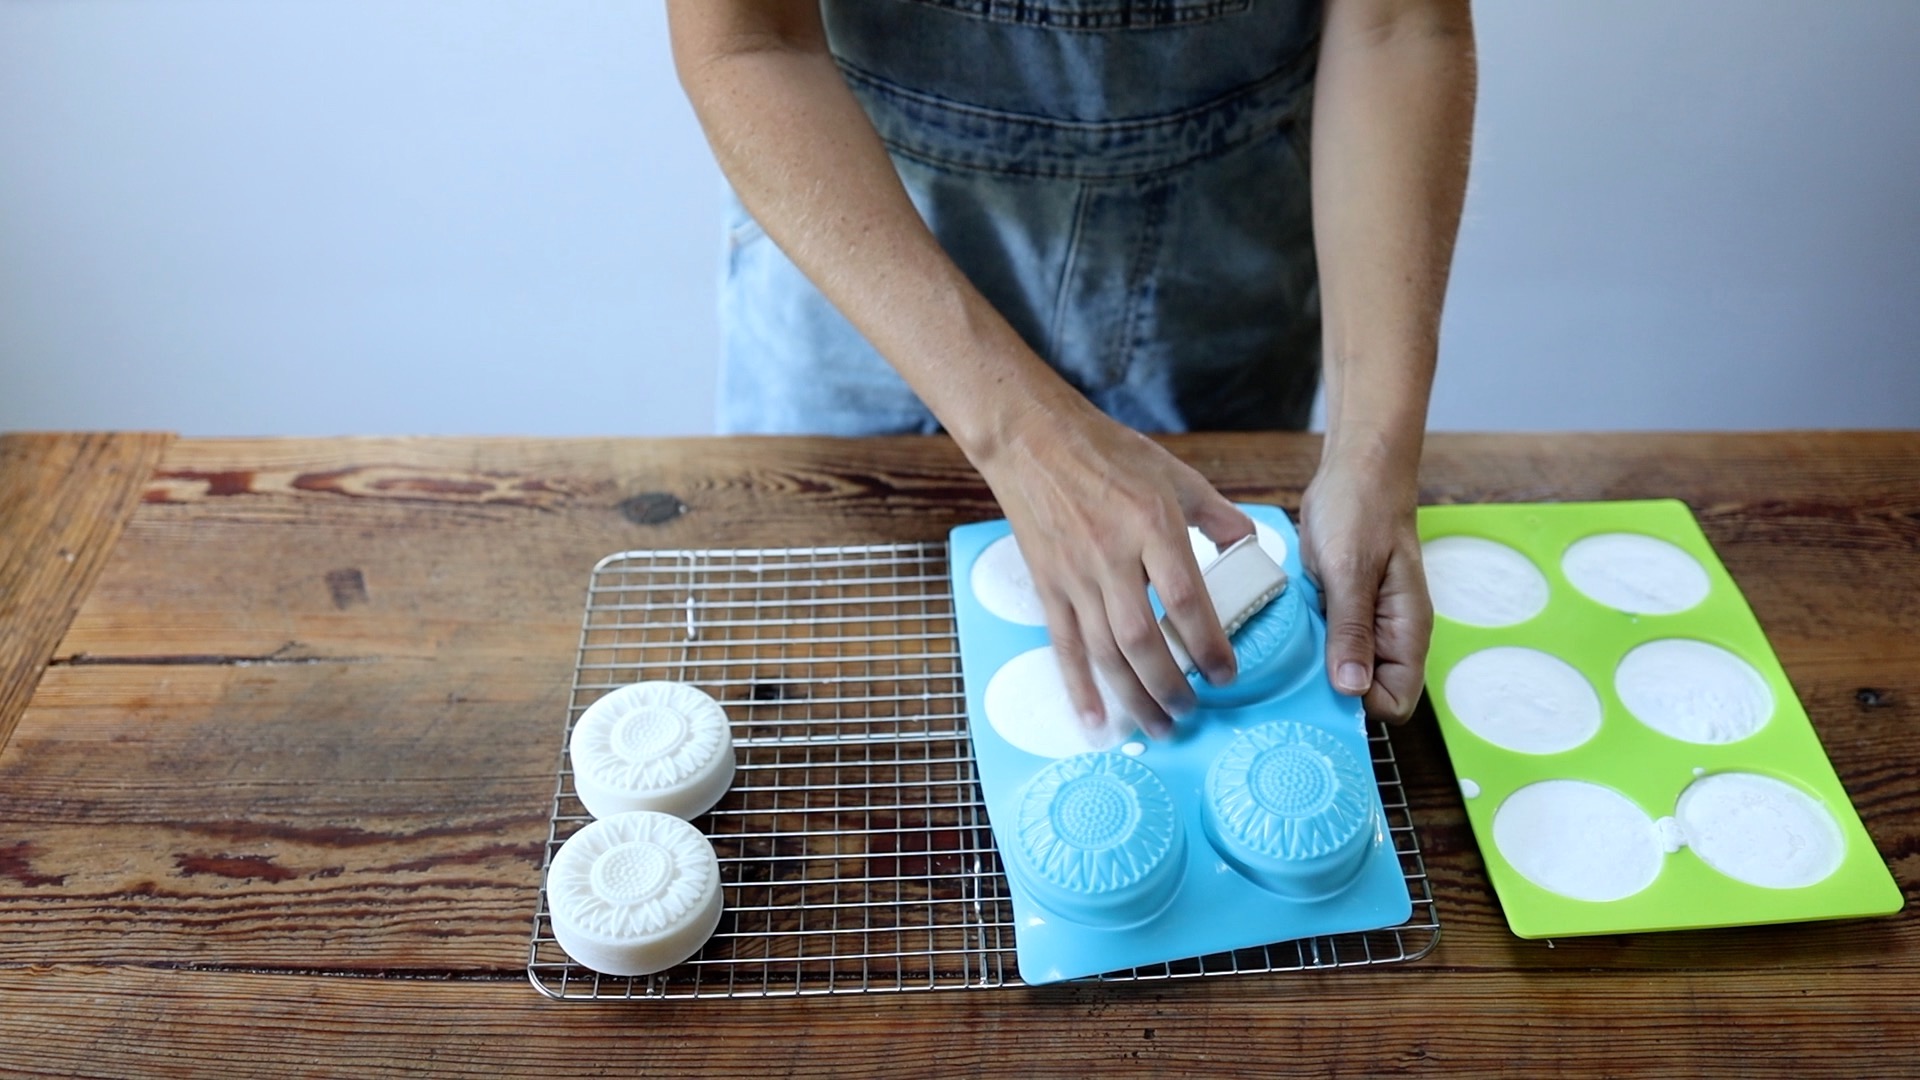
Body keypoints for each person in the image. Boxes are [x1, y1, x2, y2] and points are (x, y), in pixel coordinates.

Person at [666, 0, 1475, 737]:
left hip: (1221, 268)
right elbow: (746, 44)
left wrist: (1372, 452)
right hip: (870, 259)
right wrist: (1024, 436)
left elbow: (1397, 25)